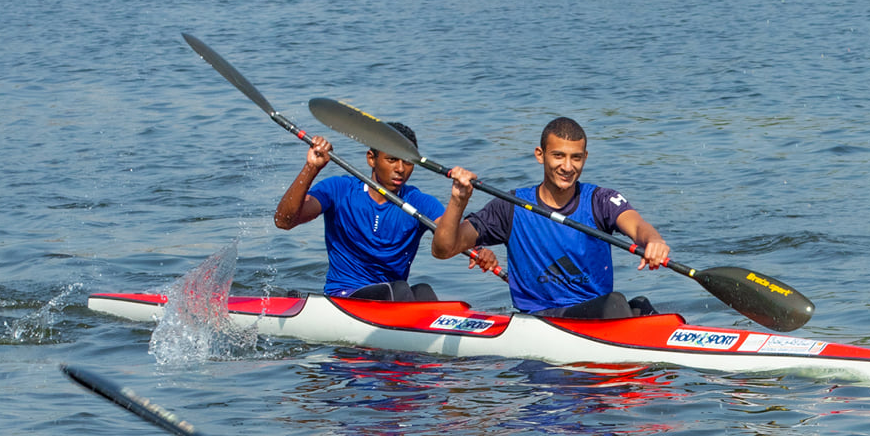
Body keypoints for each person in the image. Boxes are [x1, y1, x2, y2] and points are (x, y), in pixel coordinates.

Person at [428, 116, 670, 320]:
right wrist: (458, 200)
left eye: (575, 157)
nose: (567, 166)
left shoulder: (601, 200)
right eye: (558, 156)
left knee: (641, 306)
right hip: (541, 320)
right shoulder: (510, 206)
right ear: (540, 155)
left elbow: (638, 226)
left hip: (597, 314)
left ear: (585, 157)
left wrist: (654, 241)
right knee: (616, 303)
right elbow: (444, 249)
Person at [272, 126, 499, 300]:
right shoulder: (339, 190)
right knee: (399, 289)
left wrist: (479, 251)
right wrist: (312, 168)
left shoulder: (418, 201)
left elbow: (450, 236)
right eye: (391, 159)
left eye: (408, 162)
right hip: (343, 298)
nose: (400, 169)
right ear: (372, 158)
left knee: (422, 291)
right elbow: (284, 221)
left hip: (392, 300)